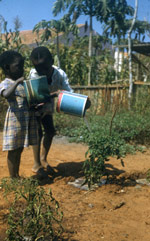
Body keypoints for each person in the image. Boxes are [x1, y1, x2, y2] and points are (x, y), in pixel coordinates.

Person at [29, 46, 73, 178]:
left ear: (52, 61)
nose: (42, 72)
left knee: (50, 131)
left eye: (46, 69)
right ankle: (36, 164)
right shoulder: (34, 75)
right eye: (39, 69)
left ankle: (43, 159)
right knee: (37, 133)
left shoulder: (59, 74)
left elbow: (68, 91)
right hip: (35, 106)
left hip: (47, 107)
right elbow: (37, 96)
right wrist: (55, 94)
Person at [0, 50, 38, 178]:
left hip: (25, 121)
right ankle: (12, 177)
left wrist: (35, 105)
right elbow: (6, 94)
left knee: (20, 148)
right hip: (14, 121)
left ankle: (16, 175)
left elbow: (27, 100)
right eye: (18, 66)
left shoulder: (23, 84)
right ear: (7, 68)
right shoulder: (6, 83)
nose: (21, 69)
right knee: (13, 150)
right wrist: (16, 83)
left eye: (22, 66)